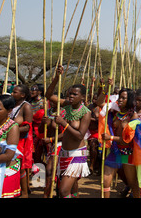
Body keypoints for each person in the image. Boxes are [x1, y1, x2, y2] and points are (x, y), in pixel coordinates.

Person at [45, 65, 92, 198]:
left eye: (74, 94)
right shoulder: (67, 104)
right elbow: (48, 95)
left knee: (64, 191)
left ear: (82, 97)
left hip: (77, 155)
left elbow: (79, 135)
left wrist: (64, 124)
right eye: (70, 94)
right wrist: (57, 78)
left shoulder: (86, 113)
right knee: (69, 189)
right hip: (64, 153)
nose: (71, 96)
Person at [10, 84, 33, 198]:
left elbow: (28, 127)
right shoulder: (11, 105)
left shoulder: (26, 106)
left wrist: (12, 130)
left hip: (21, 141)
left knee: (20, 167)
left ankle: (24, 193)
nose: (12, 94)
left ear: (22, 95)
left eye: (15, 92)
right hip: (9, 140)